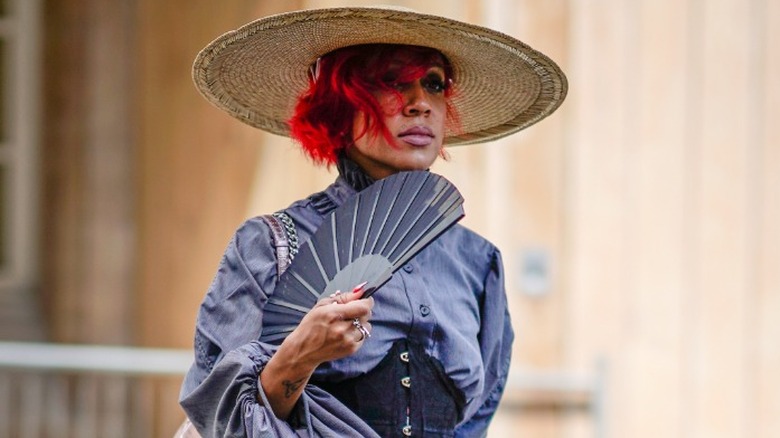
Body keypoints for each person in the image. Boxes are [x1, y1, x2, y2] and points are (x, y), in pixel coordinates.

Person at [179, 6, 567, 438]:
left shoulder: (477, 262)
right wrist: (299, 356)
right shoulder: (269, 246)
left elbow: (475, 419)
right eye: (392, 82)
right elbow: (220, 418)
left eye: (434, 84)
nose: (420, 104)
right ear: (339, 107)